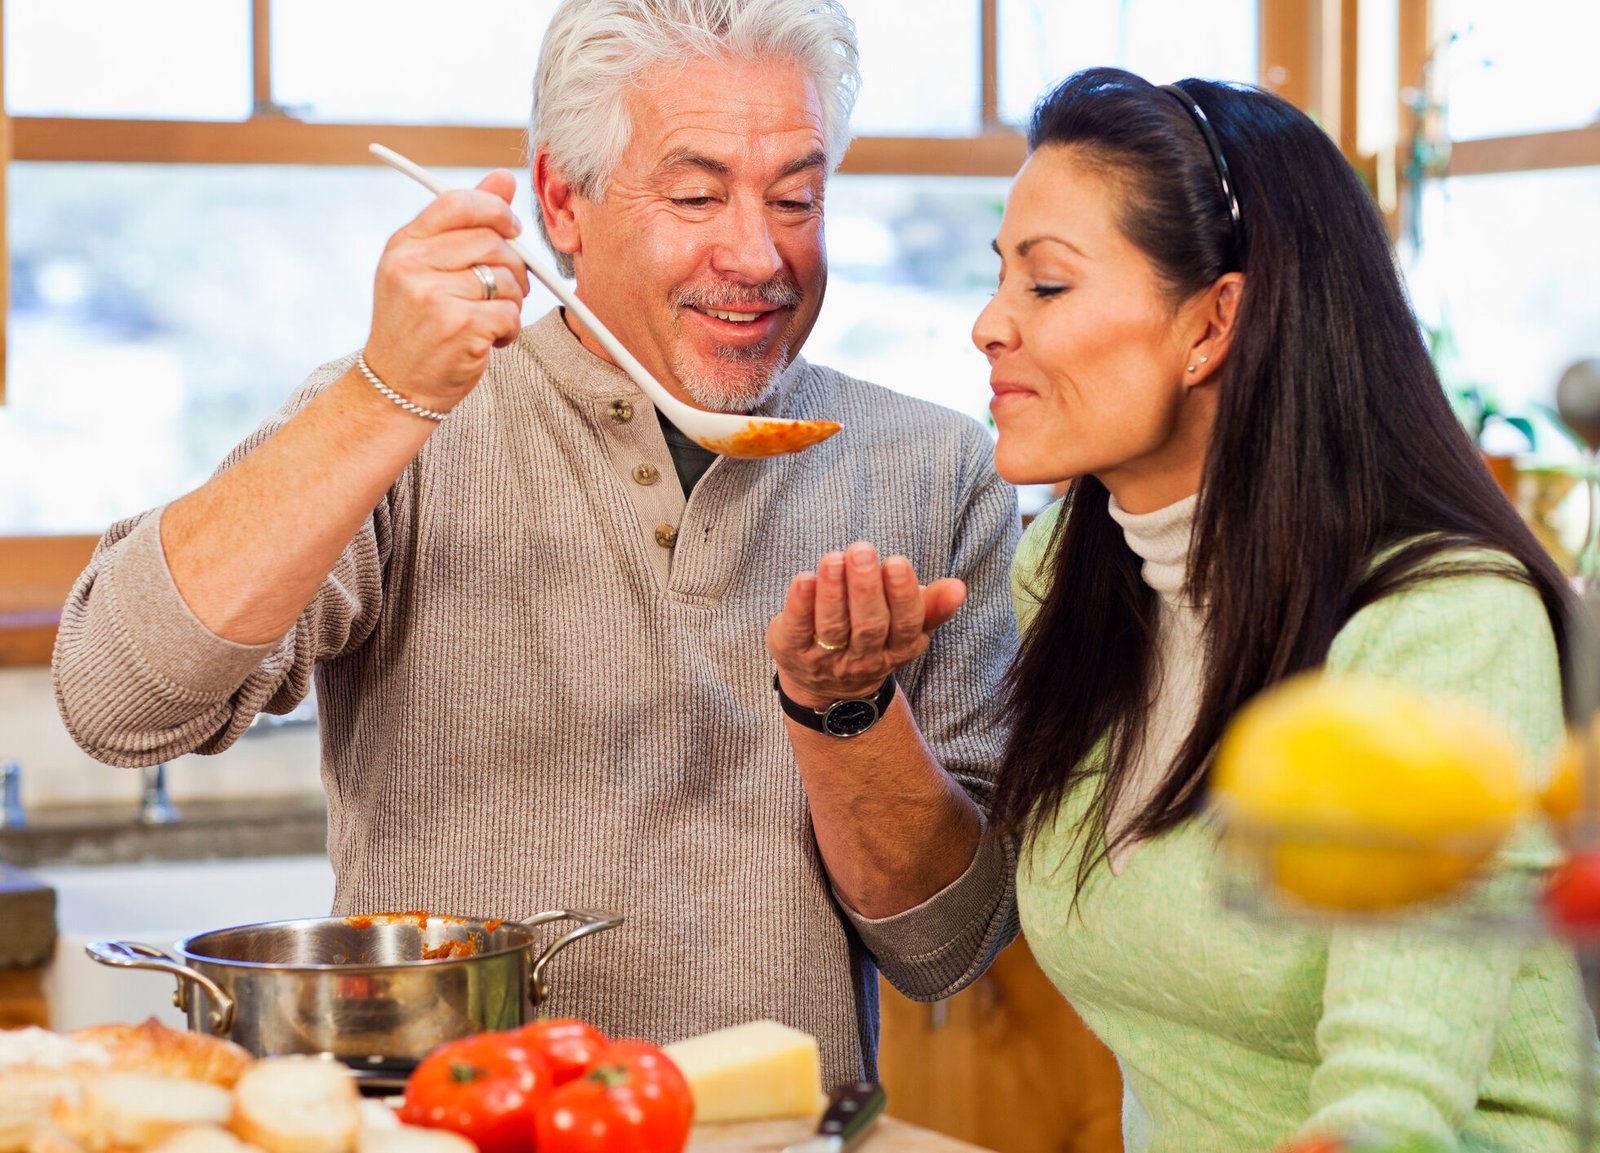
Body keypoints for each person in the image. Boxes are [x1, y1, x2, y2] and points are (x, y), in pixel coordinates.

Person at [50, 0, 1020, 1084]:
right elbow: (114, 698)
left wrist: (848, 713)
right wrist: (384, 396)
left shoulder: (933, 467)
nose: (757, 252)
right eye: (696, 194)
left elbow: (947, 949)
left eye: (795, 196)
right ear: (563, 198)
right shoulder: (405, 416)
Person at [805, 65, 1591, 1150]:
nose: (989, 325)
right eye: (1001, 280)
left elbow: (1386, 1116)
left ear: (1213, 321)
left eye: (1046, 285)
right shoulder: (1070, 575)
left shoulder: (1441, 625)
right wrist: (845, 697)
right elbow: (970, 916)